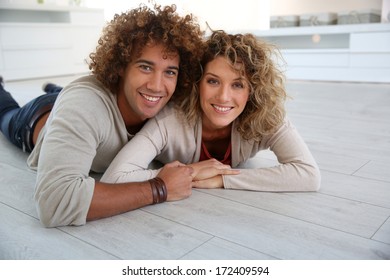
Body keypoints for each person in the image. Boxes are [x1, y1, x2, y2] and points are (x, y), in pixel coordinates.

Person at [0, 4, 205, 227]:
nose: (157, 85)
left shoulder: (167, 98)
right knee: (5, 112)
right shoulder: (84, 105)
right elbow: (55, 202)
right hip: (36, 118)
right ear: (120, 67)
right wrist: (159, 188)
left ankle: (54, 88)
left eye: (169, 72)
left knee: (64, 92)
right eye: (145, 67)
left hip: (78, 100)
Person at [101, 30, 321, 192]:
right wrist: (191, 172)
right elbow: (114, 178)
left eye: (237, 85)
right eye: (213, 81)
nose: (224, 97)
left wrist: (223, 179)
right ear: (197, 83)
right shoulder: (169, 120)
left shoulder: (266, 117)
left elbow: (309, 175)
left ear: (252, 90)